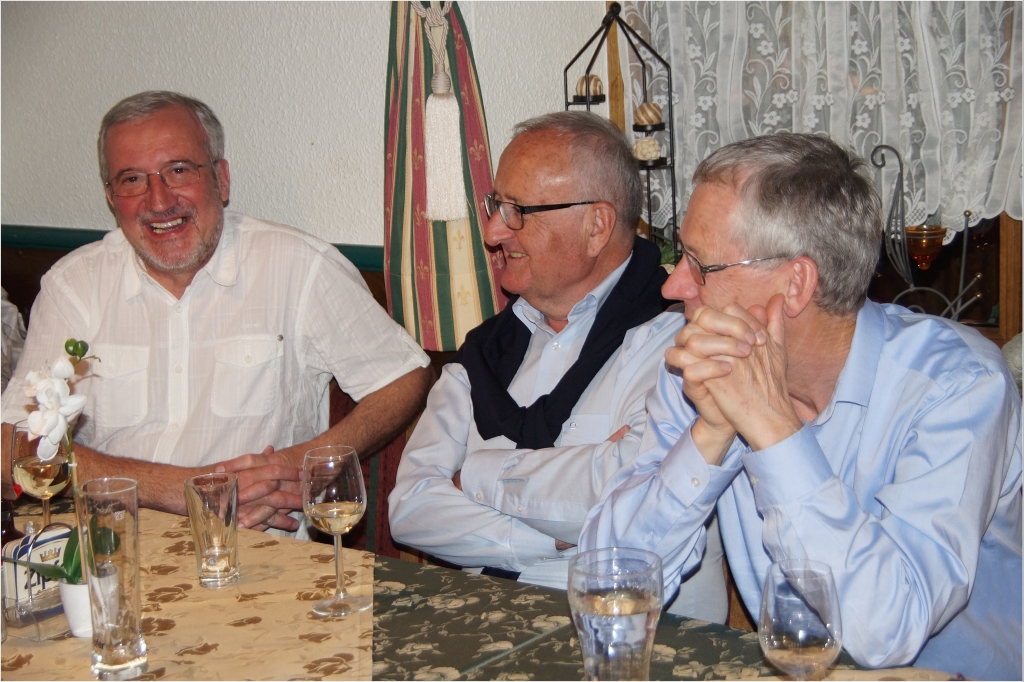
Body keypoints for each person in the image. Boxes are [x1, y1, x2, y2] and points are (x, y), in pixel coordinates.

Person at [580, 133, 1022, 679]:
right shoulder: (707, 366)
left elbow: (887, 629)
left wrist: (772, 428)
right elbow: (609, 580)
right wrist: (709, 436)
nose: (673, 287)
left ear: (795, 284)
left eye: (700, 264)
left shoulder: (956, 385)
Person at [1, 91, 433, 532]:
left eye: (179, 170)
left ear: (221, 180)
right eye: (132, 179)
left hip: (255, 548)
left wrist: (299, 466)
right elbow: (10, 446)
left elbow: (404, 377)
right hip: (107, 545)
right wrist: (178, 490)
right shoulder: (74, 284)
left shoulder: (298, 267)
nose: (158, 200)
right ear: (112, 198)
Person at [389, 111, 727, 622]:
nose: (493, 232)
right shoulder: (485, 352)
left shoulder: (680, 343)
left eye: (517, 211)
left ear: (596, 226)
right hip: (484, 629)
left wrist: (473, 475)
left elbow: (642, 499)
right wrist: (552, 538)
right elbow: (410, 509)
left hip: (641, 641)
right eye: (495, 206)